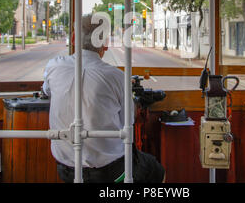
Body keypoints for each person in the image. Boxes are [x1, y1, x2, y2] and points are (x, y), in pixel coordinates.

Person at [42, 13, 165, 183]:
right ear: (105, 45)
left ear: (73, 38)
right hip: (108, 172)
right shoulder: (117, 77)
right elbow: (127, 122)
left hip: (65, 168)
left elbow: (47, 91)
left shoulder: (53, 66)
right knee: (156, 170)